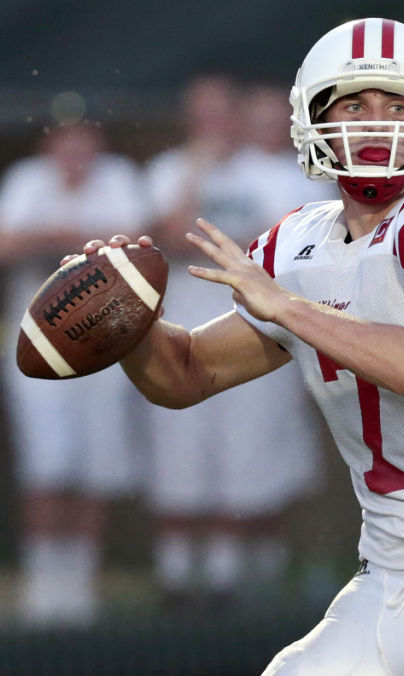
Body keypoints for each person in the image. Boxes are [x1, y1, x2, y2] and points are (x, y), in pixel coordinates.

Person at [76, 18, 404, 674]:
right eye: (352, 104)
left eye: (396, 105)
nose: (374, 123)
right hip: (386, 580)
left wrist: (289, 307)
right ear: (313, 121)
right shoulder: (299, 245)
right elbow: (186, 374)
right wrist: (125, 324)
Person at [143, 75, 325, 610]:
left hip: (257, 338)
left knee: (249, 461)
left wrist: (224, 243)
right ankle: (175, 584)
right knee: (180, 456)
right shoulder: (168, 171)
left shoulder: (275, 176)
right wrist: (200, 172)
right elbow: (166, 235)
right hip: (180, 333)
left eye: (221, 113)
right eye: (202, 115)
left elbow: (292, 251)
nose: (213, 125)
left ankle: (229, 584)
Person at [0, 123, 150, 626]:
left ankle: (79, 585)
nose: (74, 151)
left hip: (105, 344)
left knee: (96, 464)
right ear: (49, 144)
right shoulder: (28, 180)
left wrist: (50, 243)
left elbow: (142, 251)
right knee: (47, 463)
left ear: (97, 144)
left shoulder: (120, 177)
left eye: (84, 139)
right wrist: (72, 242)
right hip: (36, 346)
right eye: (64, 139)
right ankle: (43, 585)